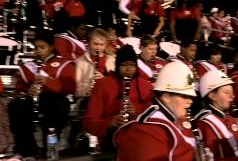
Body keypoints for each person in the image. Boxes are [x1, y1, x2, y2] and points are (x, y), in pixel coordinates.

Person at [114, 61, 213, 160]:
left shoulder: (175, 120)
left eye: (191, 97)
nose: (190, 101)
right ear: (166, 97)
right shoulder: (148, 130)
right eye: (184, 96)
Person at [9, 30, 75, 158]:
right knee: (16, 104)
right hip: (33, 102)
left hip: (54, 103)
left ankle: (50, 149)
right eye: (36, 48)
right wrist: (28, 91)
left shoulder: (64, 64)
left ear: (52, 47)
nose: (38, 51)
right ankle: (27, 149)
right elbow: (19, 88)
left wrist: (48, 81)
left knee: (54, 104)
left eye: (42, 47)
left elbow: (70, 87)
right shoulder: (29, 66)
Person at [84, 45, 153, 152]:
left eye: (132, 65)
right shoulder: (102, 85)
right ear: (117, 65)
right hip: (111, 139)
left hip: (141, 135)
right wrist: (110, 122)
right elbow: (89, 123)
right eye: (124, 65)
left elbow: (154, 119)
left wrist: (136, 112)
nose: (129, 69)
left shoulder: (146, 86)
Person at [197, 70, 238, 160]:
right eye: (227, 92)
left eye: (232, 92)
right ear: (212, 96)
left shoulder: (233, 120)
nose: (232, 96)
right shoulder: (204, 123)